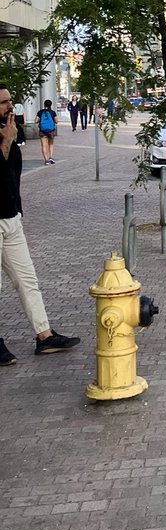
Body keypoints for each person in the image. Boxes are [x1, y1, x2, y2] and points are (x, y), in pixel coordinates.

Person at [0, 84, 81, 366]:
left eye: (10, 101)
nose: (10, 107)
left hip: (10, 217)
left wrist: (18, 209)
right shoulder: (6, 135)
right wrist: (6, 141)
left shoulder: (9, 129)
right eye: (3, 103)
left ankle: (44, 336)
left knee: (27, 280)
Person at [35, 99, 57, 165]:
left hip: (42, 130)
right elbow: (56, 121)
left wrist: (41, 121)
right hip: (51, 130)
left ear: (44, 105)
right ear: (51, 104)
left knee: (43, 145)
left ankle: (46, 160)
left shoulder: (40, 112)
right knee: (51, 144)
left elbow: (36, 120)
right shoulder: (53, 112)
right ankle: (51, 157)